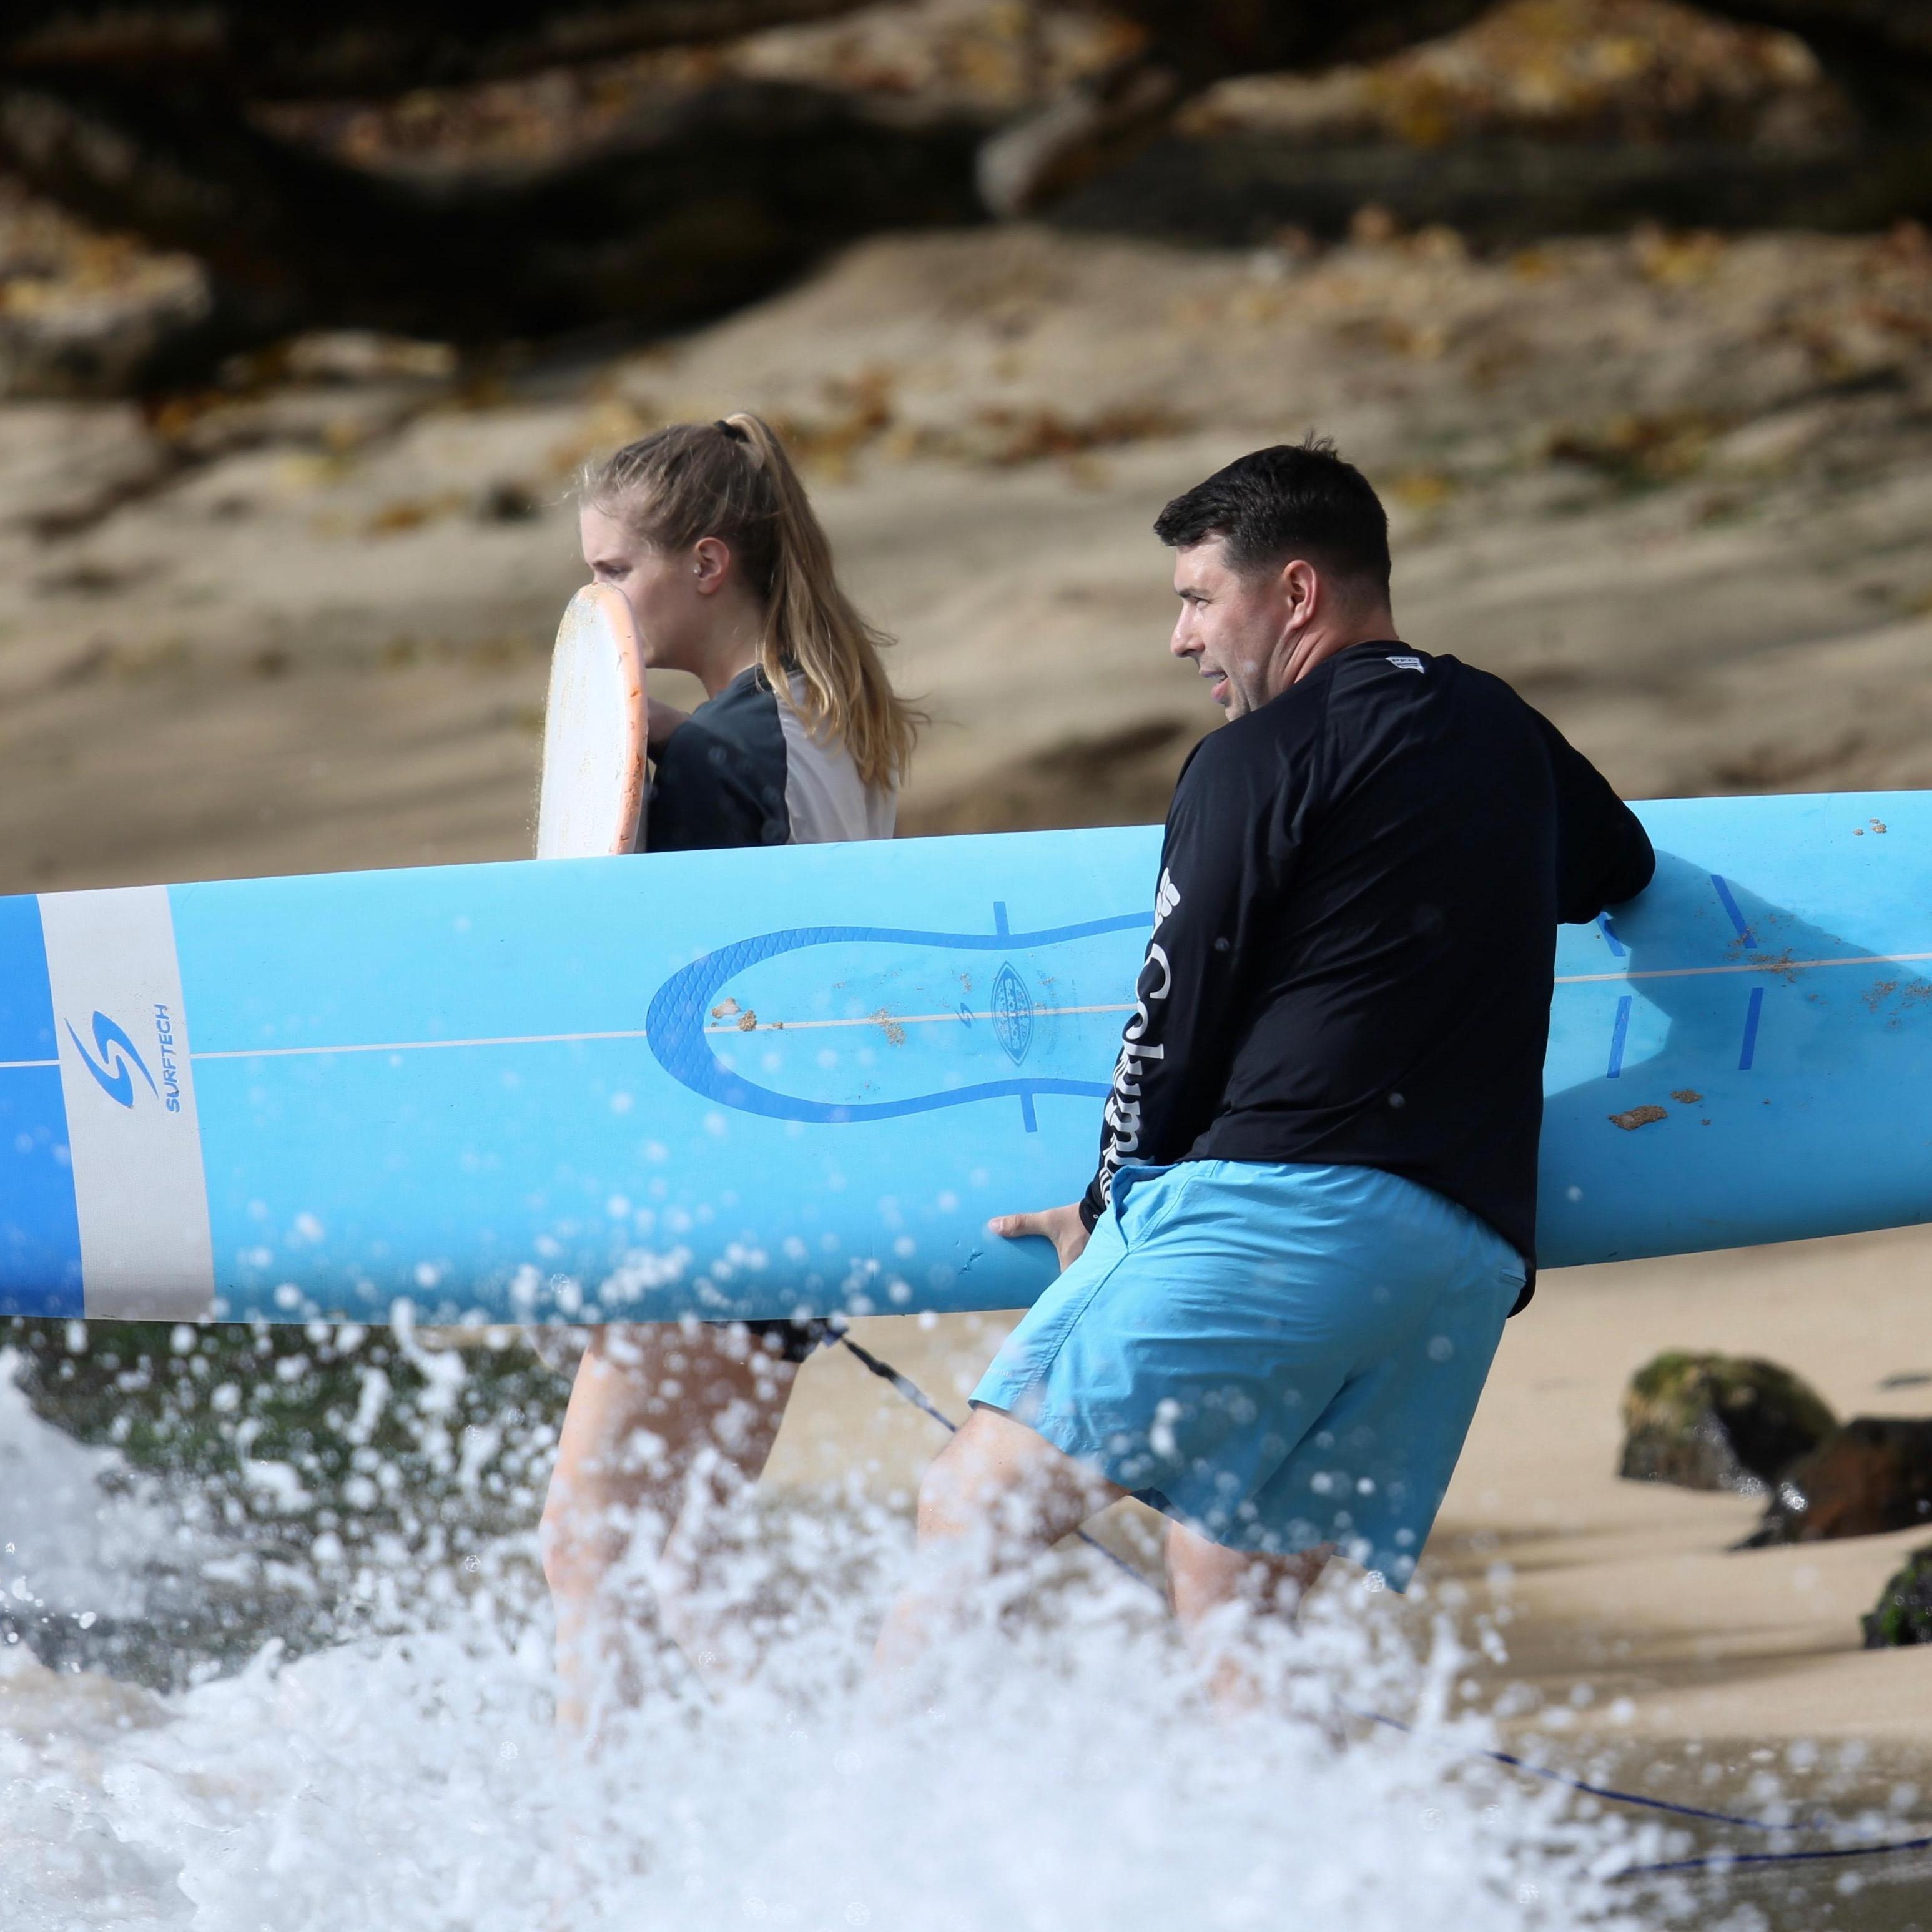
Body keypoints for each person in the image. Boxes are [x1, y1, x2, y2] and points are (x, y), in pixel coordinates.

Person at [873, 437, 1655, 1695]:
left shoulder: (1252, 760)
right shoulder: (1501, 729)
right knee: (1235, 1603)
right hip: (1456, 1265)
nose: (1181, 639)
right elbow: (1615, 868)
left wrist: (1103, 1198)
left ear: (1293, 594)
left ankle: (864, 1857)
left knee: (973, 1517)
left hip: (1277, 1211)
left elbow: (1171, 1013)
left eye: (1196, 598)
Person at [543, 413, 920, 1732]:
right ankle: (828, 1819)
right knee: (678, 1562)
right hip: (797, 1195)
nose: (593, 607)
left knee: (590, 1553)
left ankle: (593, 1880)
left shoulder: (715, 759)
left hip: (710, 1201)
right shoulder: (827, 720)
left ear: (706, 562)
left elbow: (672, 1006)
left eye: (611, 573)